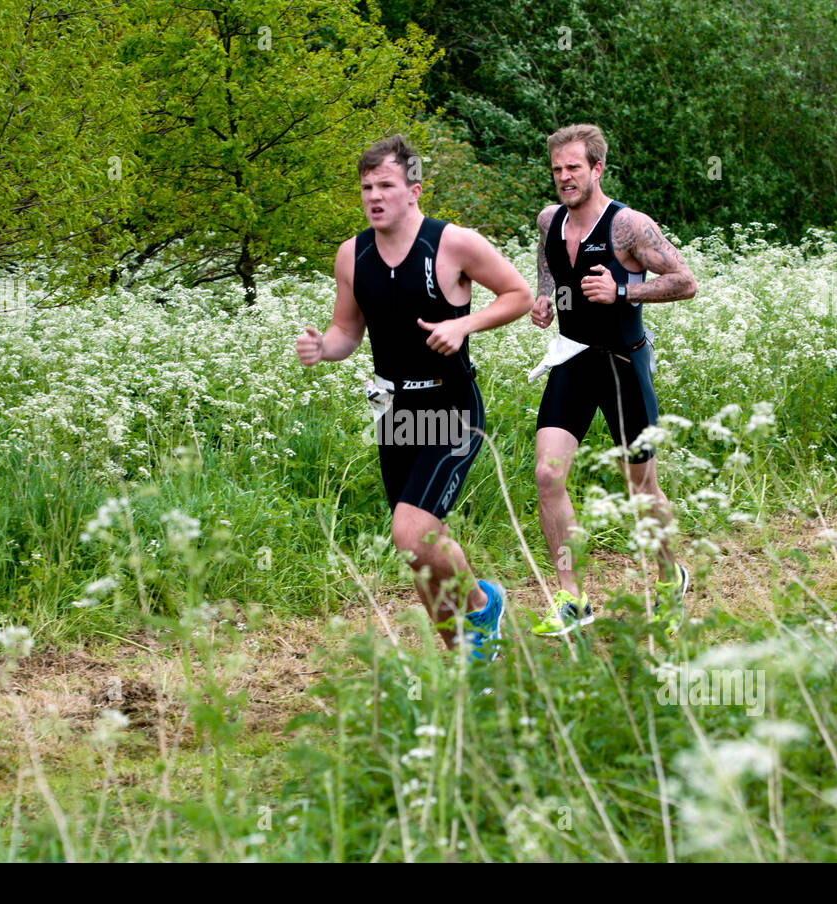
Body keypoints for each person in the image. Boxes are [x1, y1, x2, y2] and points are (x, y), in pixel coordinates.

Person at [296, 135, 533, 656]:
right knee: (418, 551)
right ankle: (467, 651)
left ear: (414, 191)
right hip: (394, 411)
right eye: (366, 187)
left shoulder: (453, 243)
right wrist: (322, 349)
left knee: (411, 531)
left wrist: (464, 324)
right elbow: (346, 334)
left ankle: (479, 609)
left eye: (386, 185)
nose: (374, 196)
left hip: (451, 405)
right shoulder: (351, 254)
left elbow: (519, 295)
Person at [529, 124, 697, 637]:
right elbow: (548, 263)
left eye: (574, 168)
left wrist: (625, 291)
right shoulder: (548, 220)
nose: (564, 178)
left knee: (639, 484)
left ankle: (671, 578)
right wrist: (544, 297)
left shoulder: (628, 226)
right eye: (557, 169)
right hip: (573, 360)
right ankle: (573, 600)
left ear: (597, 169)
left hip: (623, 364)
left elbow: (686, 282)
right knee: (547, 476)